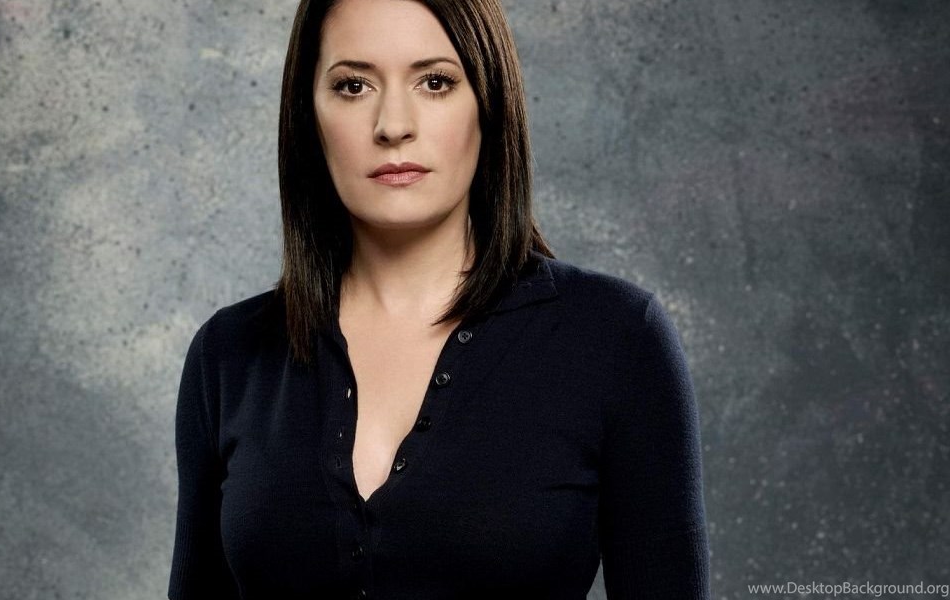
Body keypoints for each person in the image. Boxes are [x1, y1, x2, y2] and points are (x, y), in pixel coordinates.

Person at [167, 0, 711, 598]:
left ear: (489, 102)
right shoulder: (228, 356)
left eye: (434, 82)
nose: (393, 125)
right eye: (353, 86)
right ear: (308, 114)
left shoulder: (616, 339)